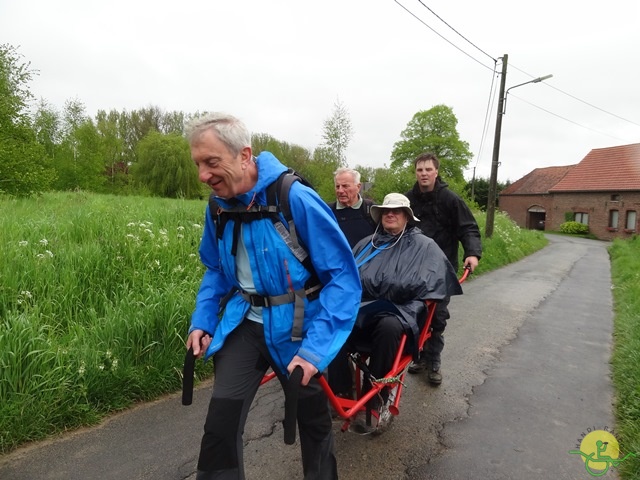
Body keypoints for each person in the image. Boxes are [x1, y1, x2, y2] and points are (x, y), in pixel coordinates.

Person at [185, 112, 362, 479]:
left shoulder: (293, 198)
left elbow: (343, 279)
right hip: (245, 323)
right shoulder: (217, 207)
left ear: (244, 155)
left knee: (312, 423)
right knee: (220, 424)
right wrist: (203, 320)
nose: (203, 175)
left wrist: (315, 352)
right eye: (199, 164)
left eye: (212, 162)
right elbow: (217, 268)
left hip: (299, 329)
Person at [336, 192, 462, 433]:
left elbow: (430, 285)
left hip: (400, 313)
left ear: (407, 216)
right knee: (333, 322)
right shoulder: (366, 244)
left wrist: (388, 290)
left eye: (396, 211)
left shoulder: (425, 246)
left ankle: (376, 397)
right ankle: (341, 388)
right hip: (362, 309)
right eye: (385, 211)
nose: (390, 214)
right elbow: (348, 278)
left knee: (388, 326)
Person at [405, 152, 482, 386]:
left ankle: (434, 360)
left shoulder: (450, 200)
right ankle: (419, 356)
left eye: (428, 169)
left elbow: (468, 228)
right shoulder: (408, 200)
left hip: (442, 269)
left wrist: (472, 253)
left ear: (436, 172)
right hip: (413, 269)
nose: (424, 174)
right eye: (420, 170)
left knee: (437, 317)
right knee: (415, 314)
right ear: (416, 173)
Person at [328, 167, 376, 248]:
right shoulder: (327, 211)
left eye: (345, 186)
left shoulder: (372, 210)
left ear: (358, 187)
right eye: (337, 186)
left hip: (367, 259)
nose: (340, 191)